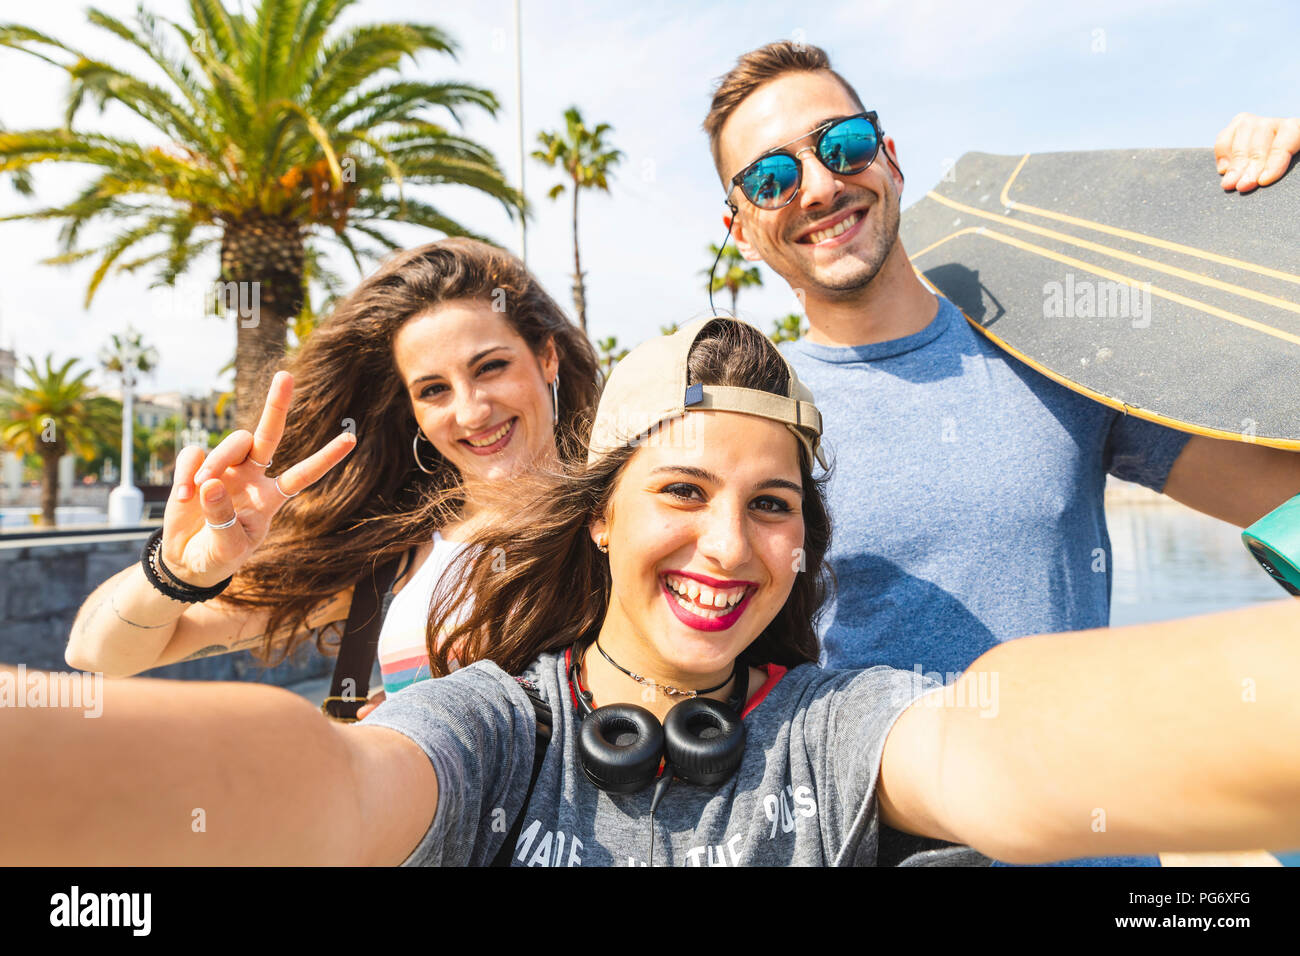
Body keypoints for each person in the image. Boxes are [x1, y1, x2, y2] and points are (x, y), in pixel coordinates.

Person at [4, 317, 1299, 868]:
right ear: (603, 519)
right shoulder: (497, 730)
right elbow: (326, 781)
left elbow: (1009, 743)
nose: (729, 547)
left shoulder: (840, 727)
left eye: (771, 504)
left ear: (804, 547)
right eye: (681, 492)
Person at [702, 45, 1300, 866]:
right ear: (739, 228)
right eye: (771, 178)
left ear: (891, 158)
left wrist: (1278, 219)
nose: (818, 186)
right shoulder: (756, 423)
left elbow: (1282, 501)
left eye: (840, 145)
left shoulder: (1053, 348)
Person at [64, 238, 601, 715]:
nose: (471, 411)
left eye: (490, 367)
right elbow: (97, 653)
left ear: (547, 357)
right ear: (411, 410)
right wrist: (181, 569)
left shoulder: (632, 518)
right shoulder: (388, 567)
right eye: (433, 389)